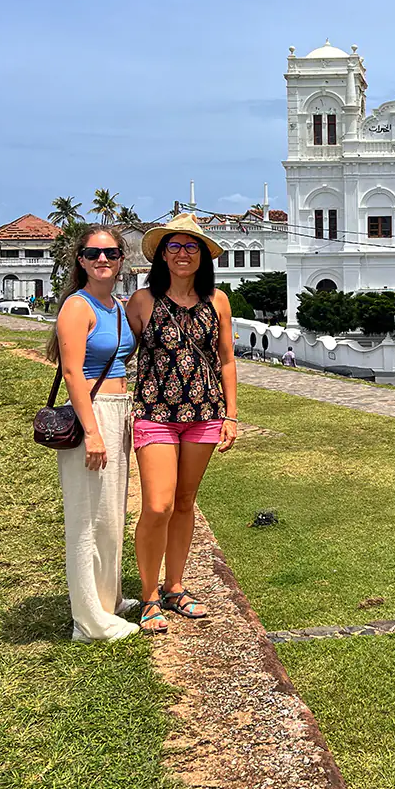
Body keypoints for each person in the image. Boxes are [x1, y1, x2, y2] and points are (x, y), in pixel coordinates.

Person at [126, 214, 237, 635]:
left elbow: (227, 360)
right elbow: (122, 349)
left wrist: (230, 414)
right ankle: (149, 594)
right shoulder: (143, 301)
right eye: (174, 246)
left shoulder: (218, 301)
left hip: (204, 414)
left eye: (191, 246)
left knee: (186, 501)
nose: (182, 253)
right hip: (154, 414)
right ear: (162, 255)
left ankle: (174, 587)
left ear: (203, 255)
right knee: (158, 504)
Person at [45, 226, 139, 642]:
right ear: (80, 260)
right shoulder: (76, 307)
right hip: (93, 413)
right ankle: (90, 621)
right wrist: (92, 431)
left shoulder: (116, 307)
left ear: (121, 259)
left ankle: (108, 598)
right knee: (86, 517)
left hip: (119, 410)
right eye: (93, 253)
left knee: (111, 512)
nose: (103, 259)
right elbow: (71, 372)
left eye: (111, 253)